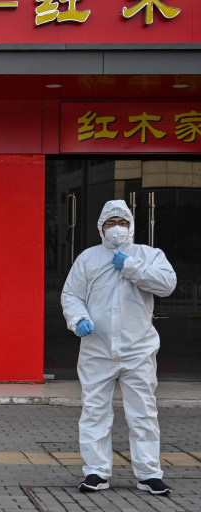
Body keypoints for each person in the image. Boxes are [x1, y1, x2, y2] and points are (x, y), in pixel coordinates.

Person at [61, 200, 176, 496]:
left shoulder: (149, 255)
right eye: (110, 222)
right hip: (97, 348)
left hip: (138, 350)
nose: (116, 228)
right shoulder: (88, 258)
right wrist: (79, 319)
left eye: (121, 222)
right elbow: (71, 295)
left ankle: (149, 473)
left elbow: (167, 284)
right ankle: (96, 472)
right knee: (94, 411)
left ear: (131, 226)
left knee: (143, 413)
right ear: (101, 227)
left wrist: (131, 266)